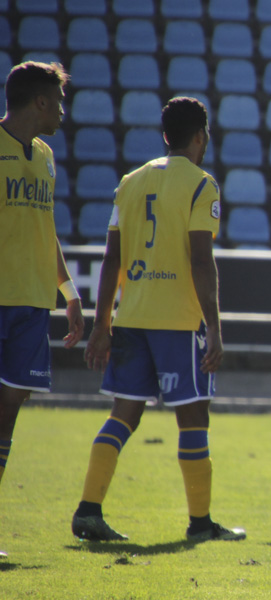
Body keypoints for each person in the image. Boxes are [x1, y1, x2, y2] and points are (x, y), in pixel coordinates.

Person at [71, 97, 243, 543]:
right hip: (178, 320)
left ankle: (88, 510)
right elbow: (202, 261)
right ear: (201, 136)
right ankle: (201, 524)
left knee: (123, 413)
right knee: (193, 418)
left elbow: (113, 259)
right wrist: (215, 328)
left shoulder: (130, 182)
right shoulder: (202, 184)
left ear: (166, 135)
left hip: (132, 316)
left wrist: (102, 323)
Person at [0, 61, 85, 558]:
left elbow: (44, 226)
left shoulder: (47, 157)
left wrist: (69, 292)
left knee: (10, 409)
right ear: (39, 102)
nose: (63, 109)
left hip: (32, 303)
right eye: (59, 99)